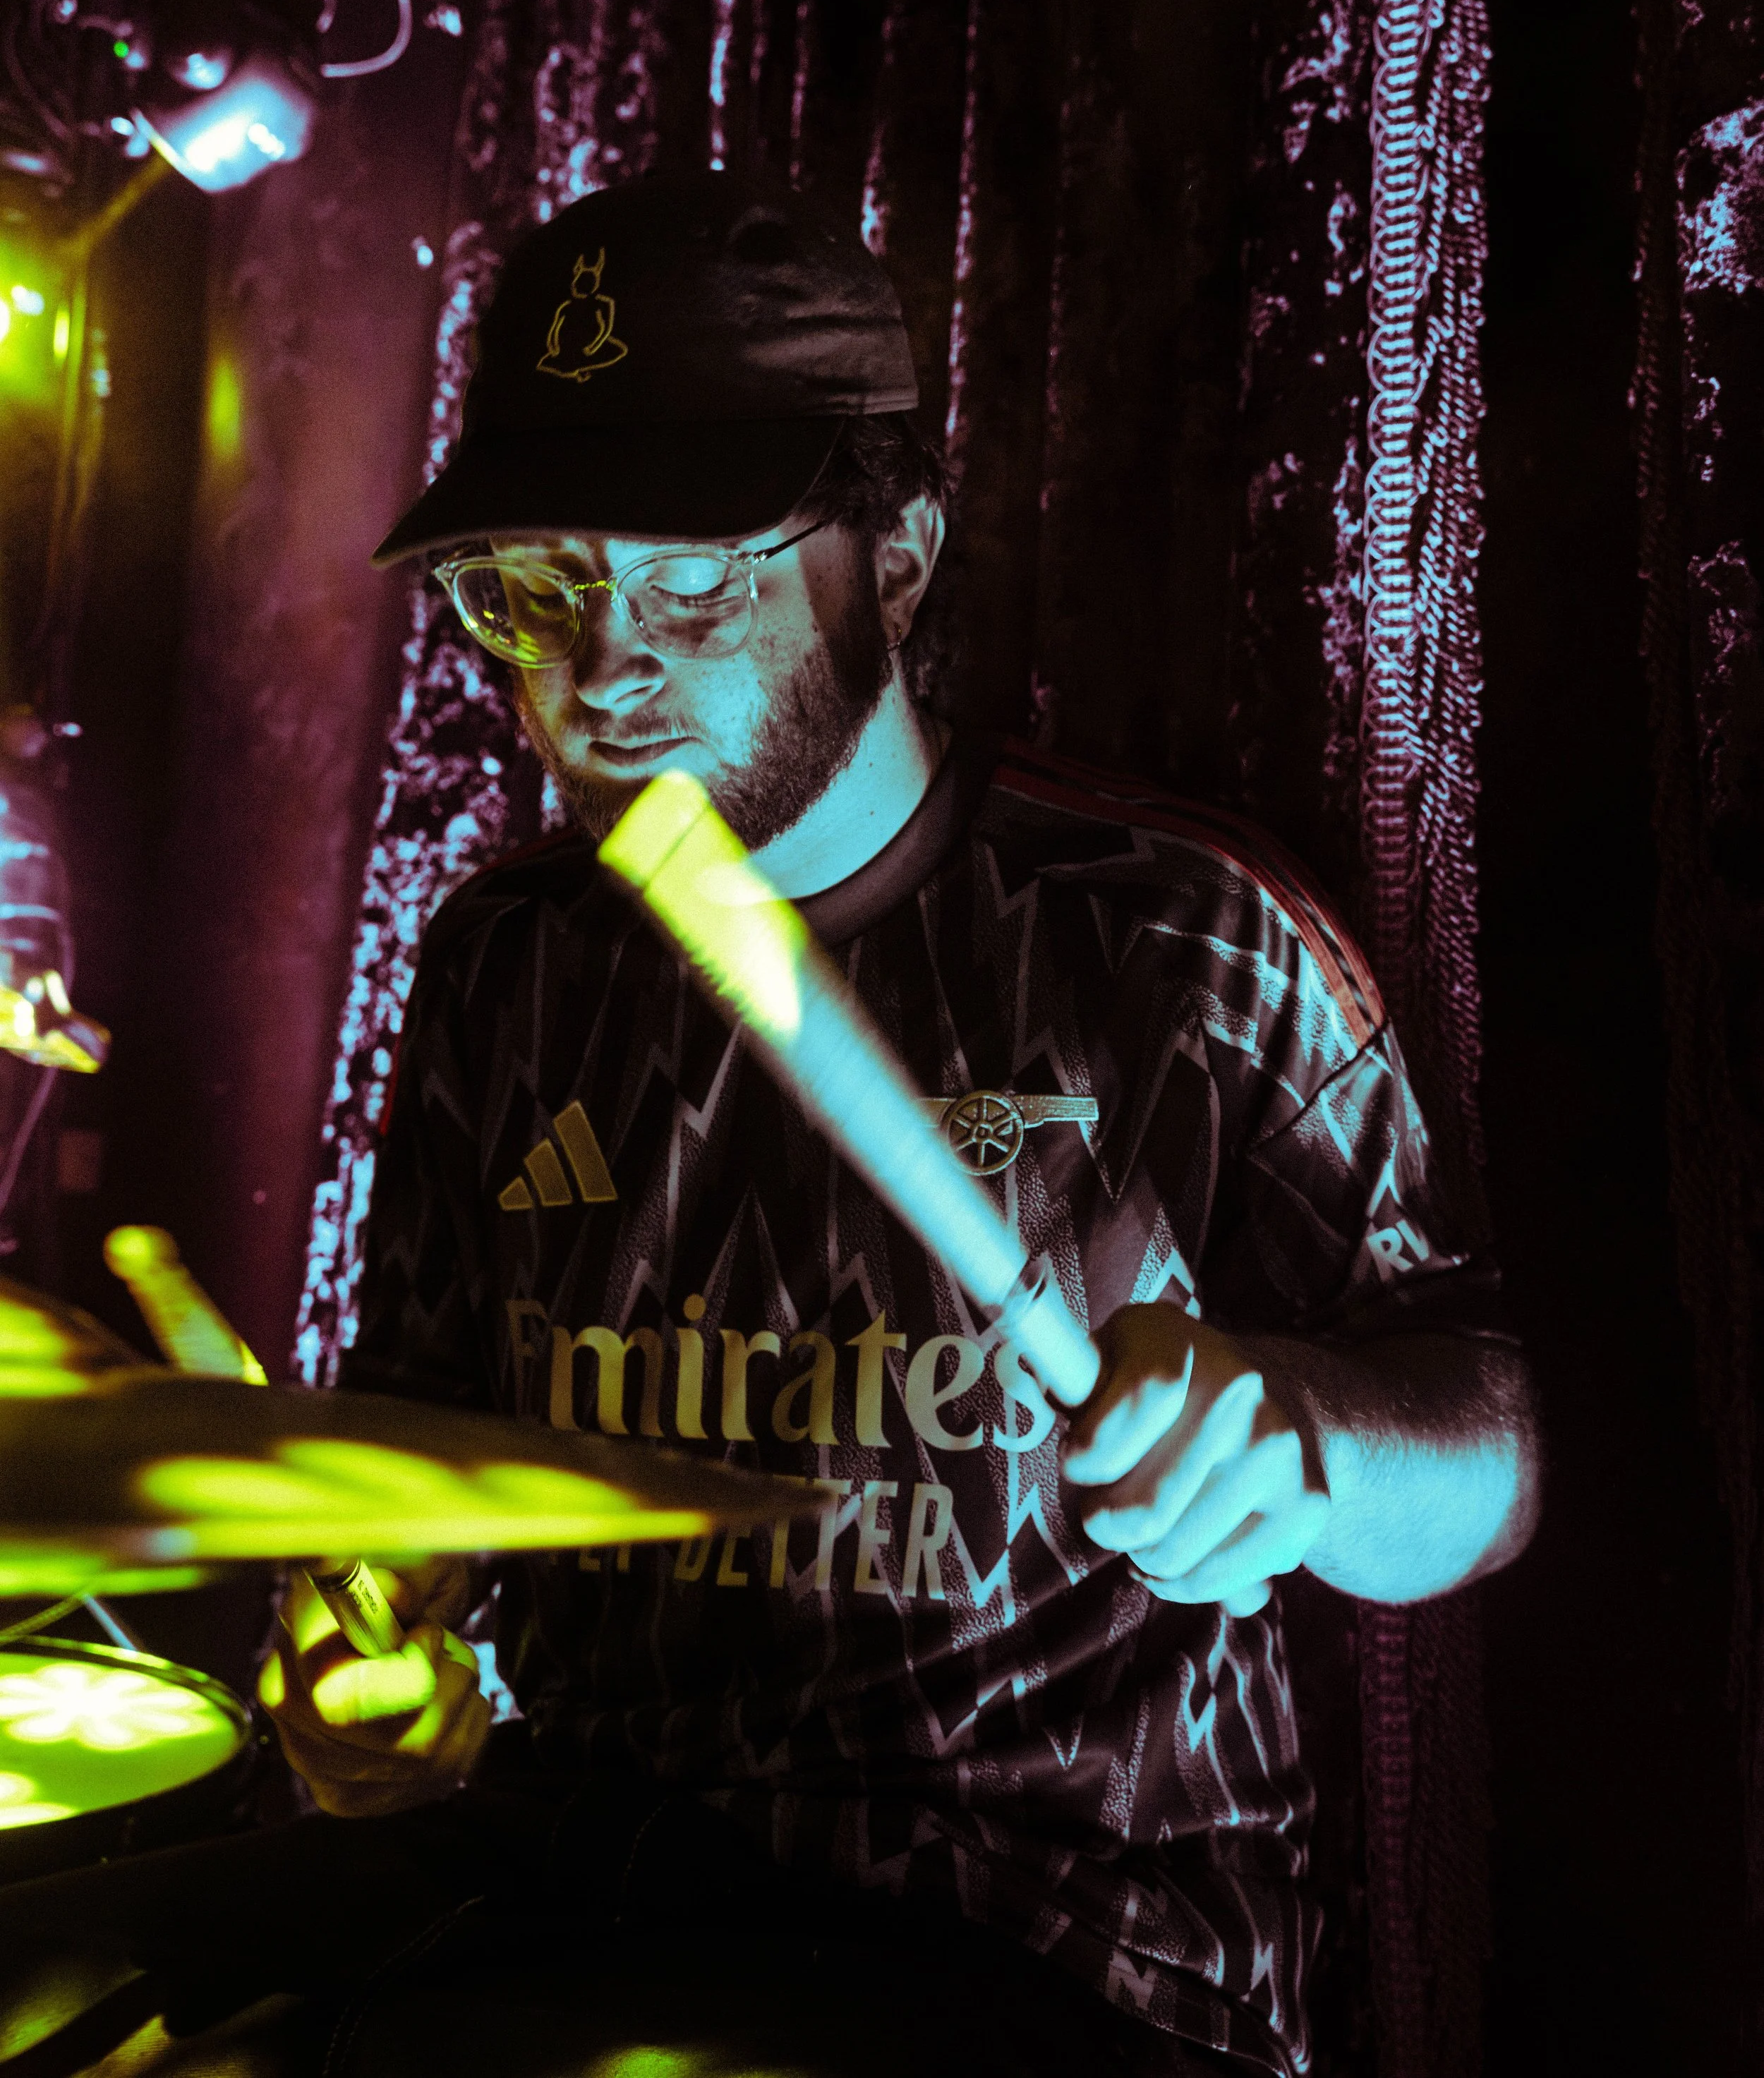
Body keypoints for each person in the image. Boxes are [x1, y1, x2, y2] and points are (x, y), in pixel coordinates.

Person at [0, 168, 1535, 2078]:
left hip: (1051, 1931)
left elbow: (1488, 1443)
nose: (603, 663)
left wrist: (1299, 1443)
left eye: (695, 577)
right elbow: (427, 1496)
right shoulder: (508, 960)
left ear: (893, 555)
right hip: (578, 1855)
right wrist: (381, 1677)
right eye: (539, 583)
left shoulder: (1174, 929)